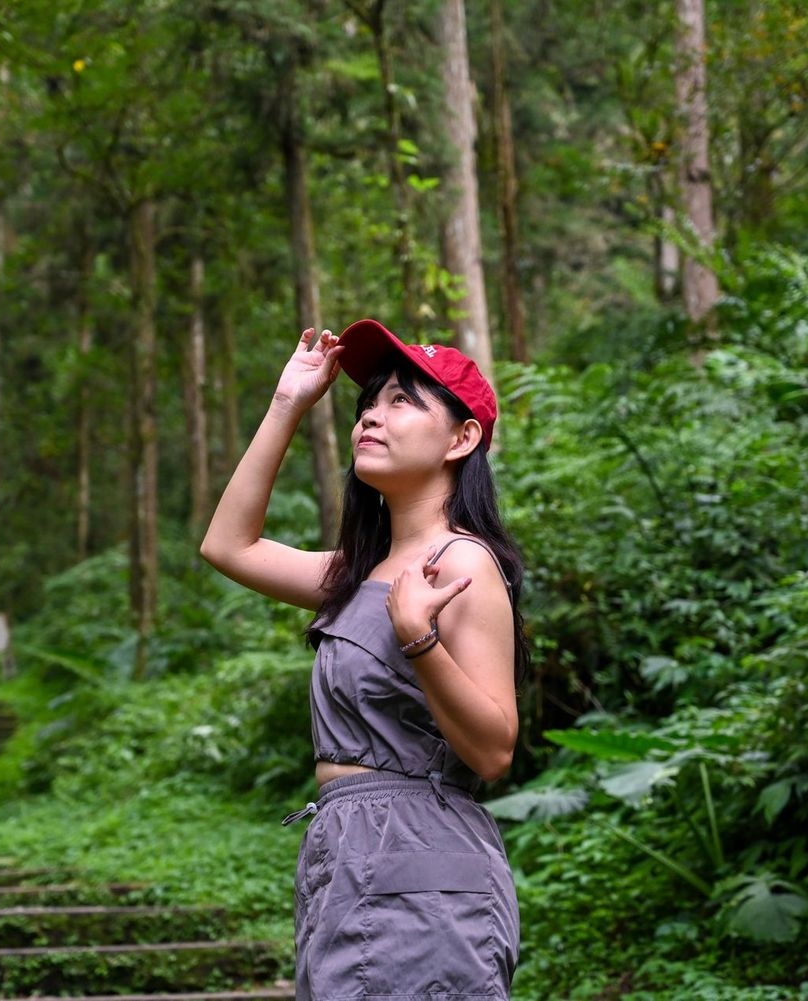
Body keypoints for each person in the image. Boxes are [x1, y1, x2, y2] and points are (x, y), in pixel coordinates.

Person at [201, 319, 527, 999]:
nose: (372, 416)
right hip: (344, 858)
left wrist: (420, 640)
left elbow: (495, 750)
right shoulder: (358, 573)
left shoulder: (462, 562)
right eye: (366, 405)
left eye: (402, 400)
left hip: (422, 864)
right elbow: (228, 545)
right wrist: (289, 403)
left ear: (462, 438)